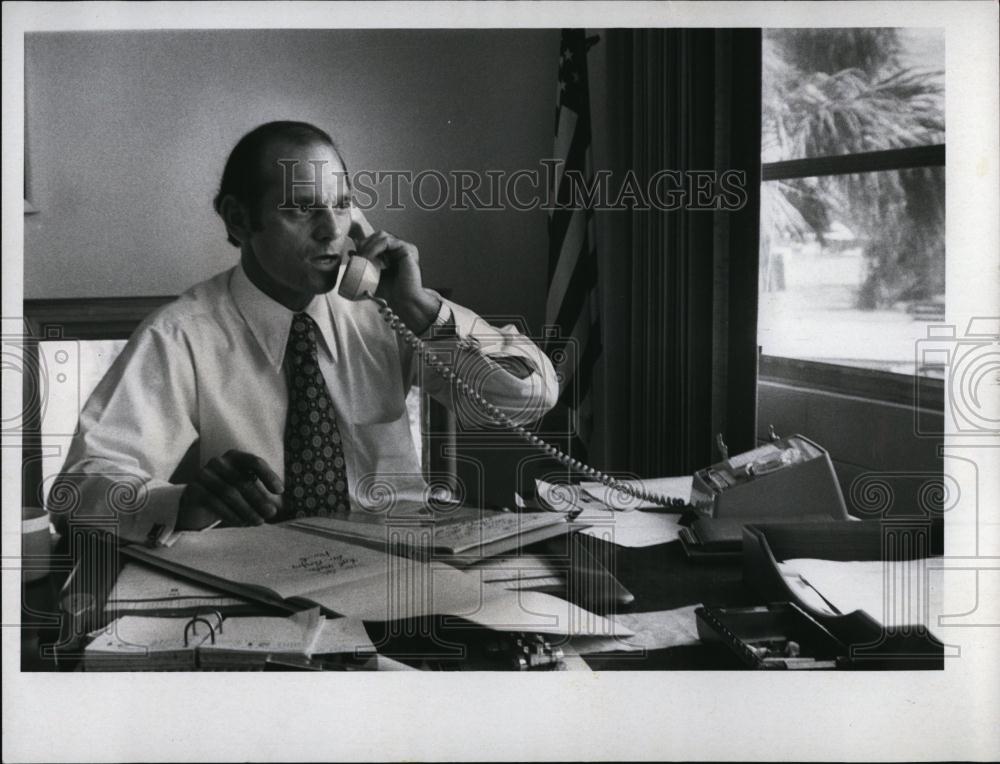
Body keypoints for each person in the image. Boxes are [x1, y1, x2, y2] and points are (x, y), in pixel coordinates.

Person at [53, 121, 558, 546]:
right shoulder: (181, 335)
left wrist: (421, 308)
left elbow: (530, 397)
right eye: (300, 209)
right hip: (256, 590)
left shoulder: (387, 311)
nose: (330, 231)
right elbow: (77, 491)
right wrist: (181, 504)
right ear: (238, 219)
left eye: (342, 206)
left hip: (401, 565)